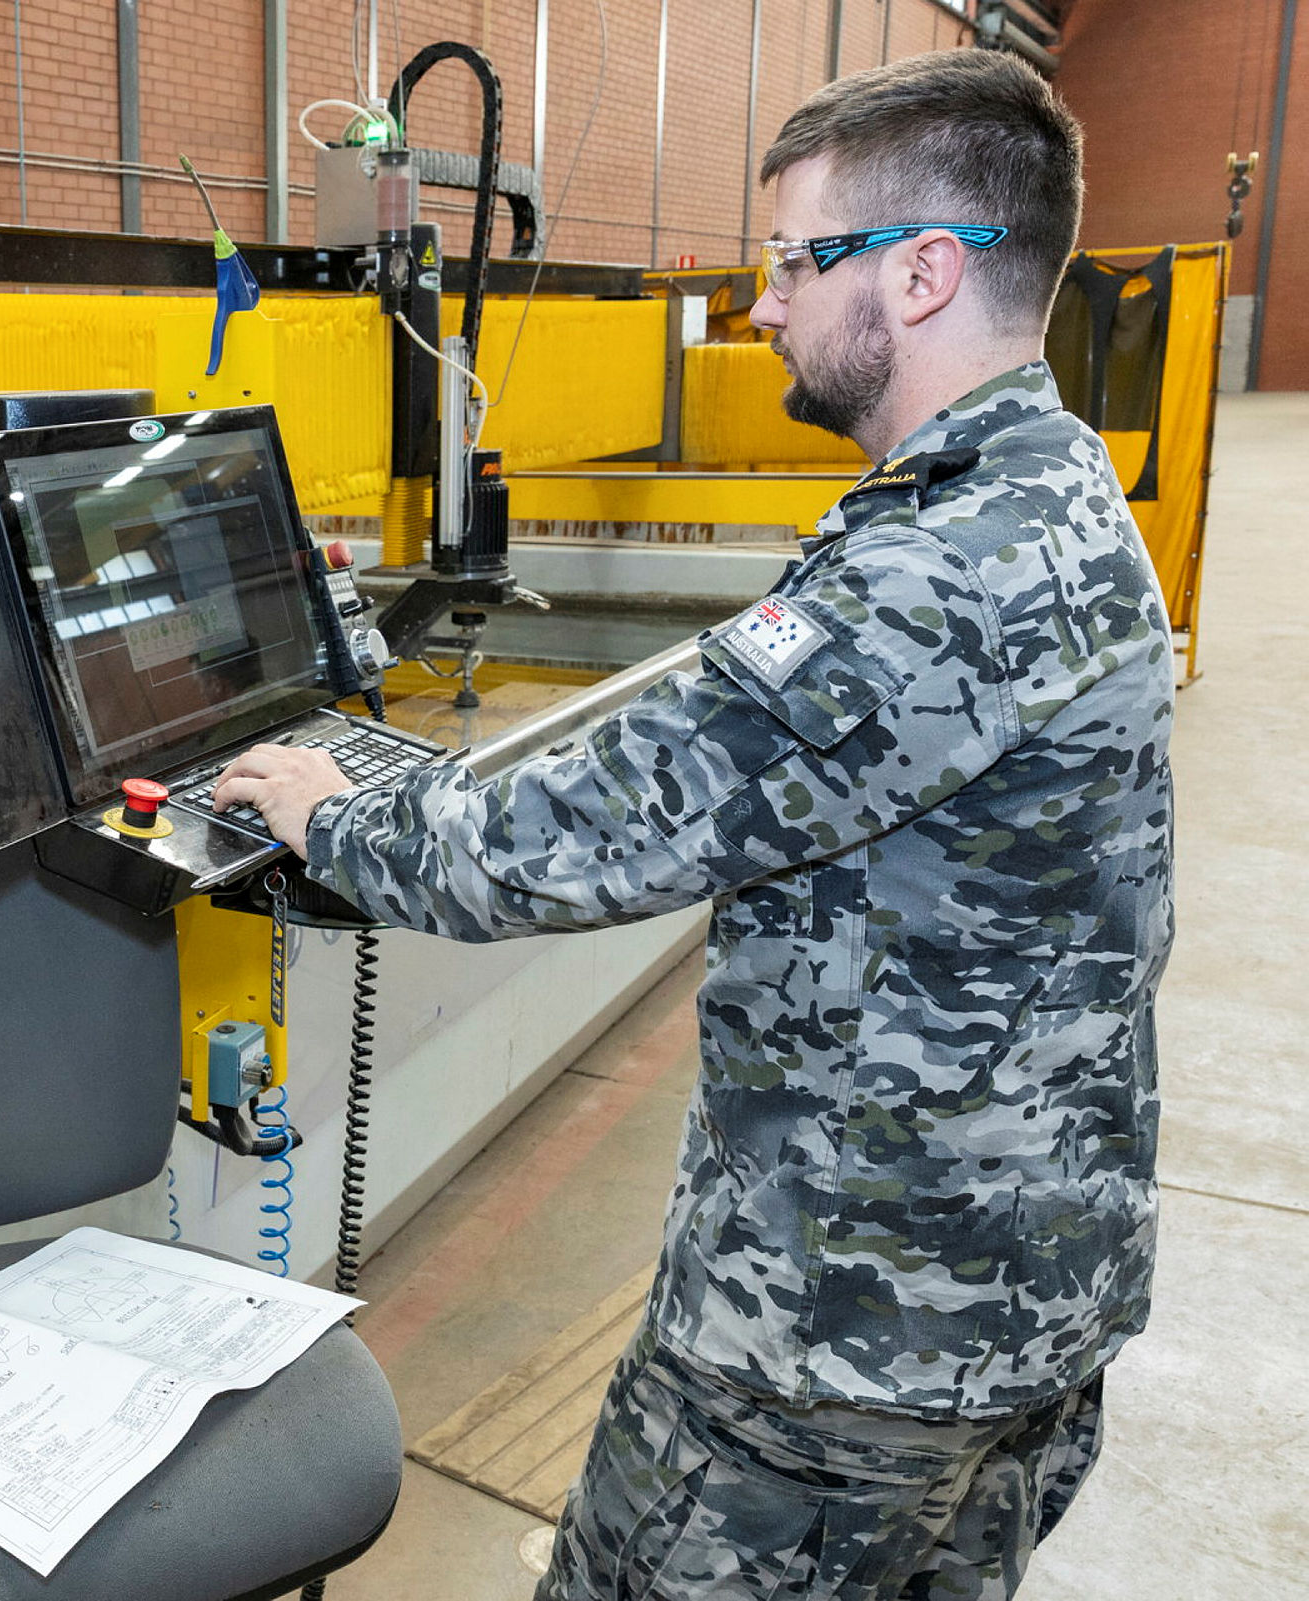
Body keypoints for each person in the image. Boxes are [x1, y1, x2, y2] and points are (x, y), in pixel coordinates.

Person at [214, 48, 1172, 1600]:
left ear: (924, 274)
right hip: (1022, 1297)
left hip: (838, 1347)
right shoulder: (1056, 488)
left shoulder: (933, 576)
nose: (766, 304)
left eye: (797, 260)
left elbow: (595, 820)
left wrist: (342, 813)